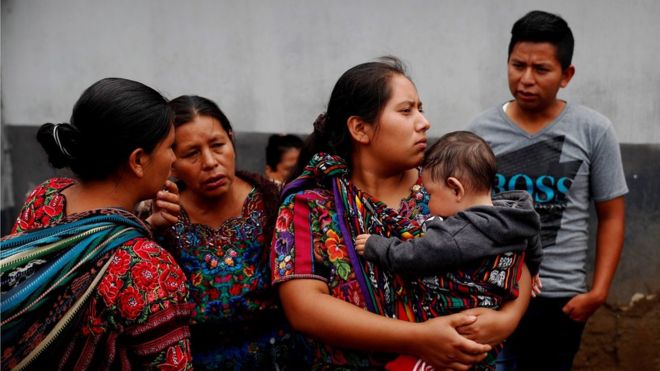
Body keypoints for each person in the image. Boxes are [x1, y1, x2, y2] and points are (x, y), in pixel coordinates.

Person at [271, 56, 534, 370]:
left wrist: (507, 319)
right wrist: (418, 338)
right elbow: (304, 307)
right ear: (360, 128)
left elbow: (509, 248)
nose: (424, 123)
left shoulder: (443, 188)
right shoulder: (312, 203)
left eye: (420, 109)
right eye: (406, 110)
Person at [468, 10, 628, 371]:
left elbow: (612, 215)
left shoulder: (594, 131)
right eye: (517, 65)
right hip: (495, 290)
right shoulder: (479, 132)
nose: (526, 79)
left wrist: (598, 292)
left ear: (566, 75)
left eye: (541, 69)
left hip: (561, 298)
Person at [0, 78, 193, 370]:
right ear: (138, 160)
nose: (174, 159)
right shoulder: (147, 267)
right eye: (170, 146)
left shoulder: (46, 197)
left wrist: (147, 226)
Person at [355, 131, 543, 370]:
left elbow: (415, 256)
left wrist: (377, 246)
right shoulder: (516, 213)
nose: (429, 201)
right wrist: (535, 269)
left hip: (459, 318)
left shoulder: (458, 232)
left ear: (456, 189)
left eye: (431, 194)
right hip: (492, 315)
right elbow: (533, 241)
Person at [155, 95, 297, 370]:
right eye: (191, 154)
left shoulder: (277, 202)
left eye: (218, 145)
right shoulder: (162, 217)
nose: (209, 162)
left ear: (231, 140)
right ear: (172, 163)